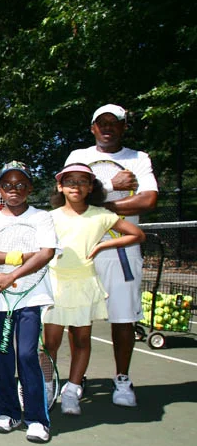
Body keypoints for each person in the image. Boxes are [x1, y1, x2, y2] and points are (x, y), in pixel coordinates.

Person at [65, 104, 158, 407]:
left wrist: (102, 208)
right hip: (82, 252)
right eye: (101, 123)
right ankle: (75, 381)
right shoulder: (78, 157)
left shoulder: (138, 159)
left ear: (123, 127)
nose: (107, 128)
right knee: (80, 319)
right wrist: (110, 188)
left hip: (123, 251)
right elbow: (72, 195)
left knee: (123, 320)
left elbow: (148, 199)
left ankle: (122, 379)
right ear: (92, 127)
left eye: (113, 123)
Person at [43, 164, 144, 416]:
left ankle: (72, 390)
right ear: (60, 187)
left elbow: (137, 234)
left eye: (82, 181)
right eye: (70, 181)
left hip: (85, 284)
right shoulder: (49, 217)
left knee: (81, 340)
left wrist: (101, 247)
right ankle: (46, 387)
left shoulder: (101, 215)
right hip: (55, 284)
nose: (75, 186)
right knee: (49, 343)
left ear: (90, 187)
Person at [0, 162, 57, 443]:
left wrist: (12, 275)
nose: (14, 190)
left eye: (21, 185)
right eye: (8, 185)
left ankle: (37, 419)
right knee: (0, 357)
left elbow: (46, 253)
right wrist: (22, 257)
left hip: (31, 299)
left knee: (26, 355)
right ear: (0, 191)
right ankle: (7, 413)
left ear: (30, 188)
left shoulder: (42, 218)